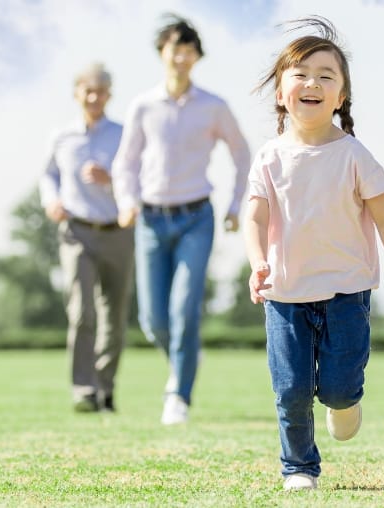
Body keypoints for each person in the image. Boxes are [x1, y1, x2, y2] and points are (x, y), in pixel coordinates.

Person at [244, 17, 384, 491]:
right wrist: (257, 262)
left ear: (341, 97)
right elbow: (254, 216)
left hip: (347, 293)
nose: (312, 82)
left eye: (326, 76)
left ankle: (345, 401)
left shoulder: (354, 155)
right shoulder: (269, 157)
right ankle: (299, 468)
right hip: (286, 295)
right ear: (280, 92)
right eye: (300, 73)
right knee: (290, 390)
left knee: (337, 384)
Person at [112, 13, 251, 425]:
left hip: (196, 217)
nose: (181, 57)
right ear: (162, 53)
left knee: (184, 309)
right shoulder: (143, 105)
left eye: (189, 50)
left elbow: (242, 154)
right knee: (153, 319)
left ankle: (179, 394)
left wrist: (235, 205)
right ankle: (186, 355)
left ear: (196, 56)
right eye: (175, 48)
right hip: (151, 220)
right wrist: (126, 201)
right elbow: (126, 162)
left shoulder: (213, 106)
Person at [39, 62, 134, 413]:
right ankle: (83, 389)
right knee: (82, 313)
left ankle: (104, 388)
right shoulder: (61, 136)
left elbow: (135, 181)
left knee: (114, 316)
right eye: (88, 90)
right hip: (76, 232)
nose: (94, 97)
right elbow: (48, 176)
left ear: (109, 95)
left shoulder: (123, 135)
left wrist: (110, 179)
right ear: (77, 93)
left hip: (117, 232)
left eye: (101, 91)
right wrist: (52, 201)